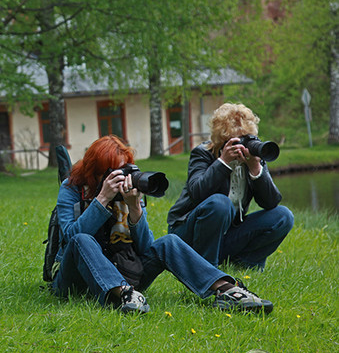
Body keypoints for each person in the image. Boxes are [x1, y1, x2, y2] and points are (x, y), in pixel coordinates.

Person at [52, 135, 273, 314]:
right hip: (76, 279)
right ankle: (122, 293)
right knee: (82, 239)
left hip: (125, 271)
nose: (121, 178)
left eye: (125, 169)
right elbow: (71, 238)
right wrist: (102, 199)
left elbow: (146, 248)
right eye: (113, 172)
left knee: (168, 242)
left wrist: (134, 208)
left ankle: (227, 290)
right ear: (95, 172)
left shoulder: (128, 193)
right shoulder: (72, 188)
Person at [167, 103, 293, 269]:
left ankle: (246, 264)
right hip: (186, 234)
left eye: (248, 138)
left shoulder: (253, 158)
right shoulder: (203, 153)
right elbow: (196, 192)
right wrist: (223, 163)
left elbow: (270, 202)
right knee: (220, 203)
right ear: (222, 140)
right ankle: (207, 271)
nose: (244, 146)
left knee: (283, 216)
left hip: (225, 234)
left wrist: (255, 168)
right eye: (238, 140)